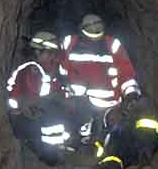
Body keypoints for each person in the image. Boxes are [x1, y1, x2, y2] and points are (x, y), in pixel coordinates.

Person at [59, 14, 141, 144]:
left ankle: (102, 143)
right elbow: (61, 71)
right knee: (70, 130)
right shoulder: (69, 43)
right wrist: (63, 94)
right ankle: (73, 144)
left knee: (113, 132)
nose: (94, 41)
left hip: (109, 105)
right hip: (78, 104)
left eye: (98, 36)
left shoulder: (112, 45)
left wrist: (131, 94)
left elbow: (126, 74)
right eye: (90, 37)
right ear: (82, 31)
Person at [6, 30, 70, 165]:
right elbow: (30, 99)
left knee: (59, 110)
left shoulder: (50, 68)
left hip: (33, 114)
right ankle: (49, 156)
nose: (53, 56)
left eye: (54, 53)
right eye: (50, 53)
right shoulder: (31, 69)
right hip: (24, 118)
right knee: (52, 113)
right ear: (38, 52)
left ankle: (54, 151)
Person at [94, 95, 158, 169]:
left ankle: (144, 159)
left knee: (144, 128)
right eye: (110, 119)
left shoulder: (135, 118)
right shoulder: (111, 134)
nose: (113, 118)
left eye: (113, 116)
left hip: (139, 146)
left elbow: (150, 129)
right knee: (114, 147)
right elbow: (101, 148)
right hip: (124, 153)